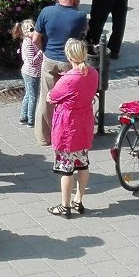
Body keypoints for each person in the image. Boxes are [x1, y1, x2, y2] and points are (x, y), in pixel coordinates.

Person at [46, 39, 100, 218]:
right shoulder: (93, 73)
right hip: (84, 124)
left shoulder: (69, 79)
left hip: (68, 126)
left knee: (66, 168)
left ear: (70, 56)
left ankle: (65, 205)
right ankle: (78, 199)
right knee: (83, 163)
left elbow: (52, 96)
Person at [33, 0, 88, 146]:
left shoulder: (47, 12)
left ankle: (43, 136)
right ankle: (65, 133)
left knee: (46, 98)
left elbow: (36, 37)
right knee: (68, 100)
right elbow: (84, 33)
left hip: (50, 59)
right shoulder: (80, 16)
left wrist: (43, 50)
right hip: (68, 63)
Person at [12, 19, 42, 127]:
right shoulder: (28, 43)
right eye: (32, 29)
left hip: (31, 72)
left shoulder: (31, 41)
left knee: (28, 95)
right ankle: (31, 120)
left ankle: (23, 117)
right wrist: (41, 52)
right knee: (33, 96)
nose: (35, 31)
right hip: (31, 73)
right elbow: (32, 61)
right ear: (25, 32)